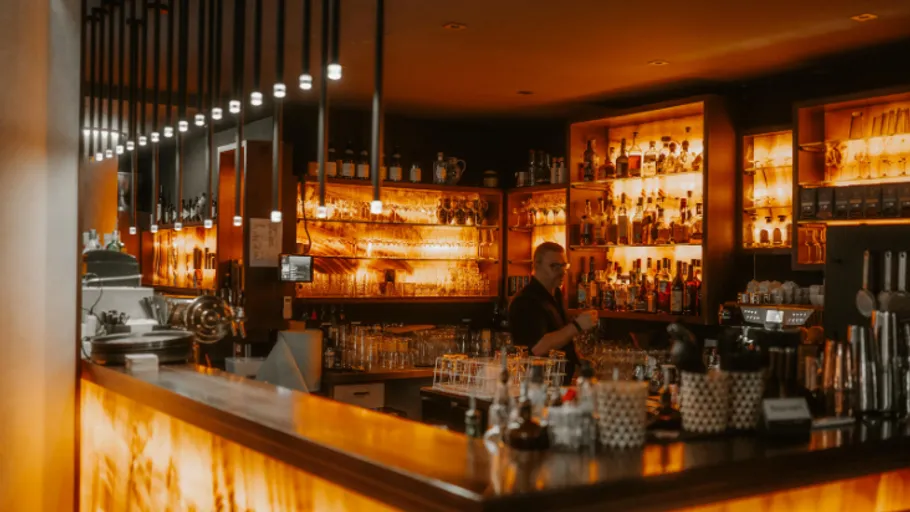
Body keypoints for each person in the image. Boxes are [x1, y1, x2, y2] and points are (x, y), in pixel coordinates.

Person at [508, 242, 597, 382]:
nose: (561, 271)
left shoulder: (556, 294)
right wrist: (577, 326)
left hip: (559, 382)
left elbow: (560, 338)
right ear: (536, 266)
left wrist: (580, 363)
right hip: (538, 384)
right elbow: (538, 348)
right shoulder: (525, 301)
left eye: (564, 266)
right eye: (554, 266)